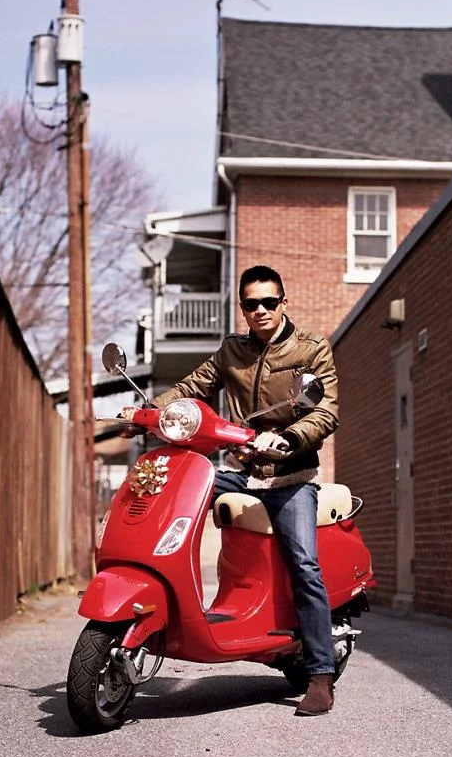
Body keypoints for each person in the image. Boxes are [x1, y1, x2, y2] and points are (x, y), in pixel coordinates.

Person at [125, 265, 339, 716]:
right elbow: (191, 387)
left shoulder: (311, 348)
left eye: (268, 302)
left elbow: (326, 411)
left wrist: (290, 437)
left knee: (303, 562)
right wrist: (148, 411)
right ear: (242, 308)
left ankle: (320, 675)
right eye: (250, 304)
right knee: (174, 490)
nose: (259, 310)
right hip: (241, 471)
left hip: (290, 476)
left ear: (284, 303)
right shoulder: (232, 351)